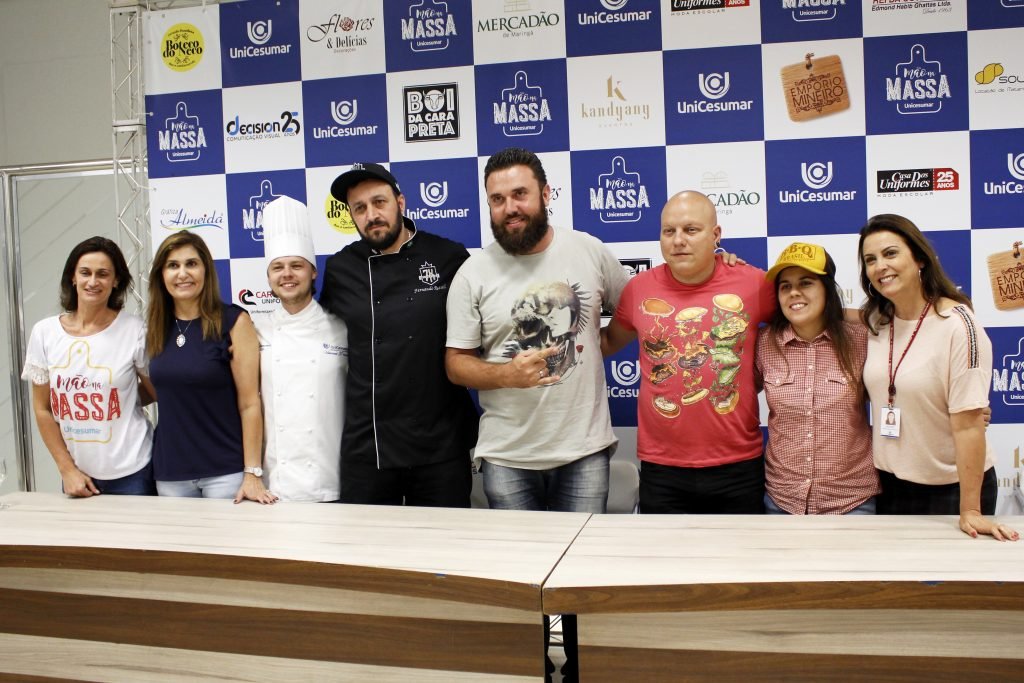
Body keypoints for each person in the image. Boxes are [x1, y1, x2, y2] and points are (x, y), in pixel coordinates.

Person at [445, 147, 628, 683]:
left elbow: (637, 307)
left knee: (581, 583)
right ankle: (527, 672)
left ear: (546, 195)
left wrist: (592, 347)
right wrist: (505, 375)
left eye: (520, 194)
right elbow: (456, 364)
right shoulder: (473, 272)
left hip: (583, 449)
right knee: (518, 583)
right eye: (497, 199)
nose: (509, 208)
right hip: (507, 455)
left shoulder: (588, 251)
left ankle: (581, 670)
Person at [601, 190, 775, 514]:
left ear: (716, 235)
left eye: (691, 230)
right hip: (662, 467)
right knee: (666, 564)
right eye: (669, 231)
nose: (678, 240)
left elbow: (805, 320)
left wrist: (864, 319)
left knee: (739, 562)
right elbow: (608, 342)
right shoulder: (638, 289)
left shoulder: (753, 284)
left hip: (737, 465)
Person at [320, 163, 478, 507]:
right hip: (369, 445)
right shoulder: (340, 269)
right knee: (369, 555)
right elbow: (322, 340)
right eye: (359, 208)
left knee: (446, 551)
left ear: (401, 202)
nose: (371, 215)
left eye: (379, 202)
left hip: (440, 443)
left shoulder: (449, 257)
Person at [859, 214, 1017, 540]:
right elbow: (824, 312)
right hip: (890, 483)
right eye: (870, 260)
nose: (880, 266)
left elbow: (970, 424)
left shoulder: (958, 325)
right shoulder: (877, 319)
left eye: (890, 253)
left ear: (918, 257)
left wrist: (970, 510)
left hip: (951, 489)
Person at [146, 231, 276, 504]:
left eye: (191, 263)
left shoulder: (234, 321)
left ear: (206, 270)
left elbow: (250, 404)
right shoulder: (155, 328)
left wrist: (252, 472)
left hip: (225, 473)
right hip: (171, 473)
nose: (183, 273)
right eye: (173, 265)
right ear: (161, 274)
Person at [22, 236, 155, 496]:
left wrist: (118, 400)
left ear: (116, 281)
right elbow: (43, 409)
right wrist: (66, 469)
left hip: (134, 471)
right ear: (73, 277)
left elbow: (158, 391)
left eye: (103, 274)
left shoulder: (135, 330)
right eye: (85, 272)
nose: (93, 281)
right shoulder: (45, 333)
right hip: (77, 475)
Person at [756, 242, 879, 515]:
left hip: (852, 502)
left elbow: (906, 389)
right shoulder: (764, 344)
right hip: (781, 501)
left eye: (806, 282)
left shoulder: (862, 341)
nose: (794, 292)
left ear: (827, 288)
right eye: (785, 286)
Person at [255, 195, 348, 502]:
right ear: (269, 278)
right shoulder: (255, 331)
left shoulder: (341, 329)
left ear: (313, 272)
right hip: (274, 485)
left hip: (331, 478)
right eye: (277, 267)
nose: (287, 274)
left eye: (297, 265)